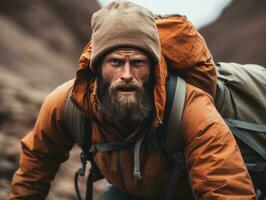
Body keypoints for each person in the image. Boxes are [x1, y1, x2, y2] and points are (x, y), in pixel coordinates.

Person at [9, 1, 256, 199]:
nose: (127, 75)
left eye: (137, 63)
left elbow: (225, 188)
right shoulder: (67, 105)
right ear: (97, 67)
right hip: (131, 192)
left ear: (153, 68)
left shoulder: (190, 107)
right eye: (115, 62)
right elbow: (36, 166)